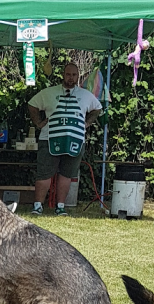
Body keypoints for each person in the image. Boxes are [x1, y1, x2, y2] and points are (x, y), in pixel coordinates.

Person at [28, 63, 102, 216]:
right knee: (44, 173)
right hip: (49, 138)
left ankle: (60, 206)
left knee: (67, 174)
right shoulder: (49, 92)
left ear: (78, 76)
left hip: (75, 140)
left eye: (74, 75)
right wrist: (38, 123)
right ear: (63, 74)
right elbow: (32, 105)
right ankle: (38, 206)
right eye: (68, 74)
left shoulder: (85, 95)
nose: (71, 78)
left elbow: (97, 108)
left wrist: (87, 123)